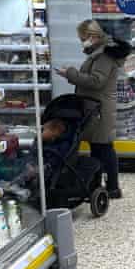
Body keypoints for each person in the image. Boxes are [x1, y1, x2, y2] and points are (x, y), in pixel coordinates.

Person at [54, 19, 129, 199]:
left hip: (100, 109)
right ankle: (104, 185)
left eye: (83, 38)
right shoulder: (99, 52)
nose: (82, 41)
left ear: (93, 36)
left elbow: (97, 81)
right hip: (97, 106)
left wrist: (70, 74)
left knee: (103, 148)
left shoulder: (103, 55)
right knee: (101, 147)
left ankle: (110, 187)